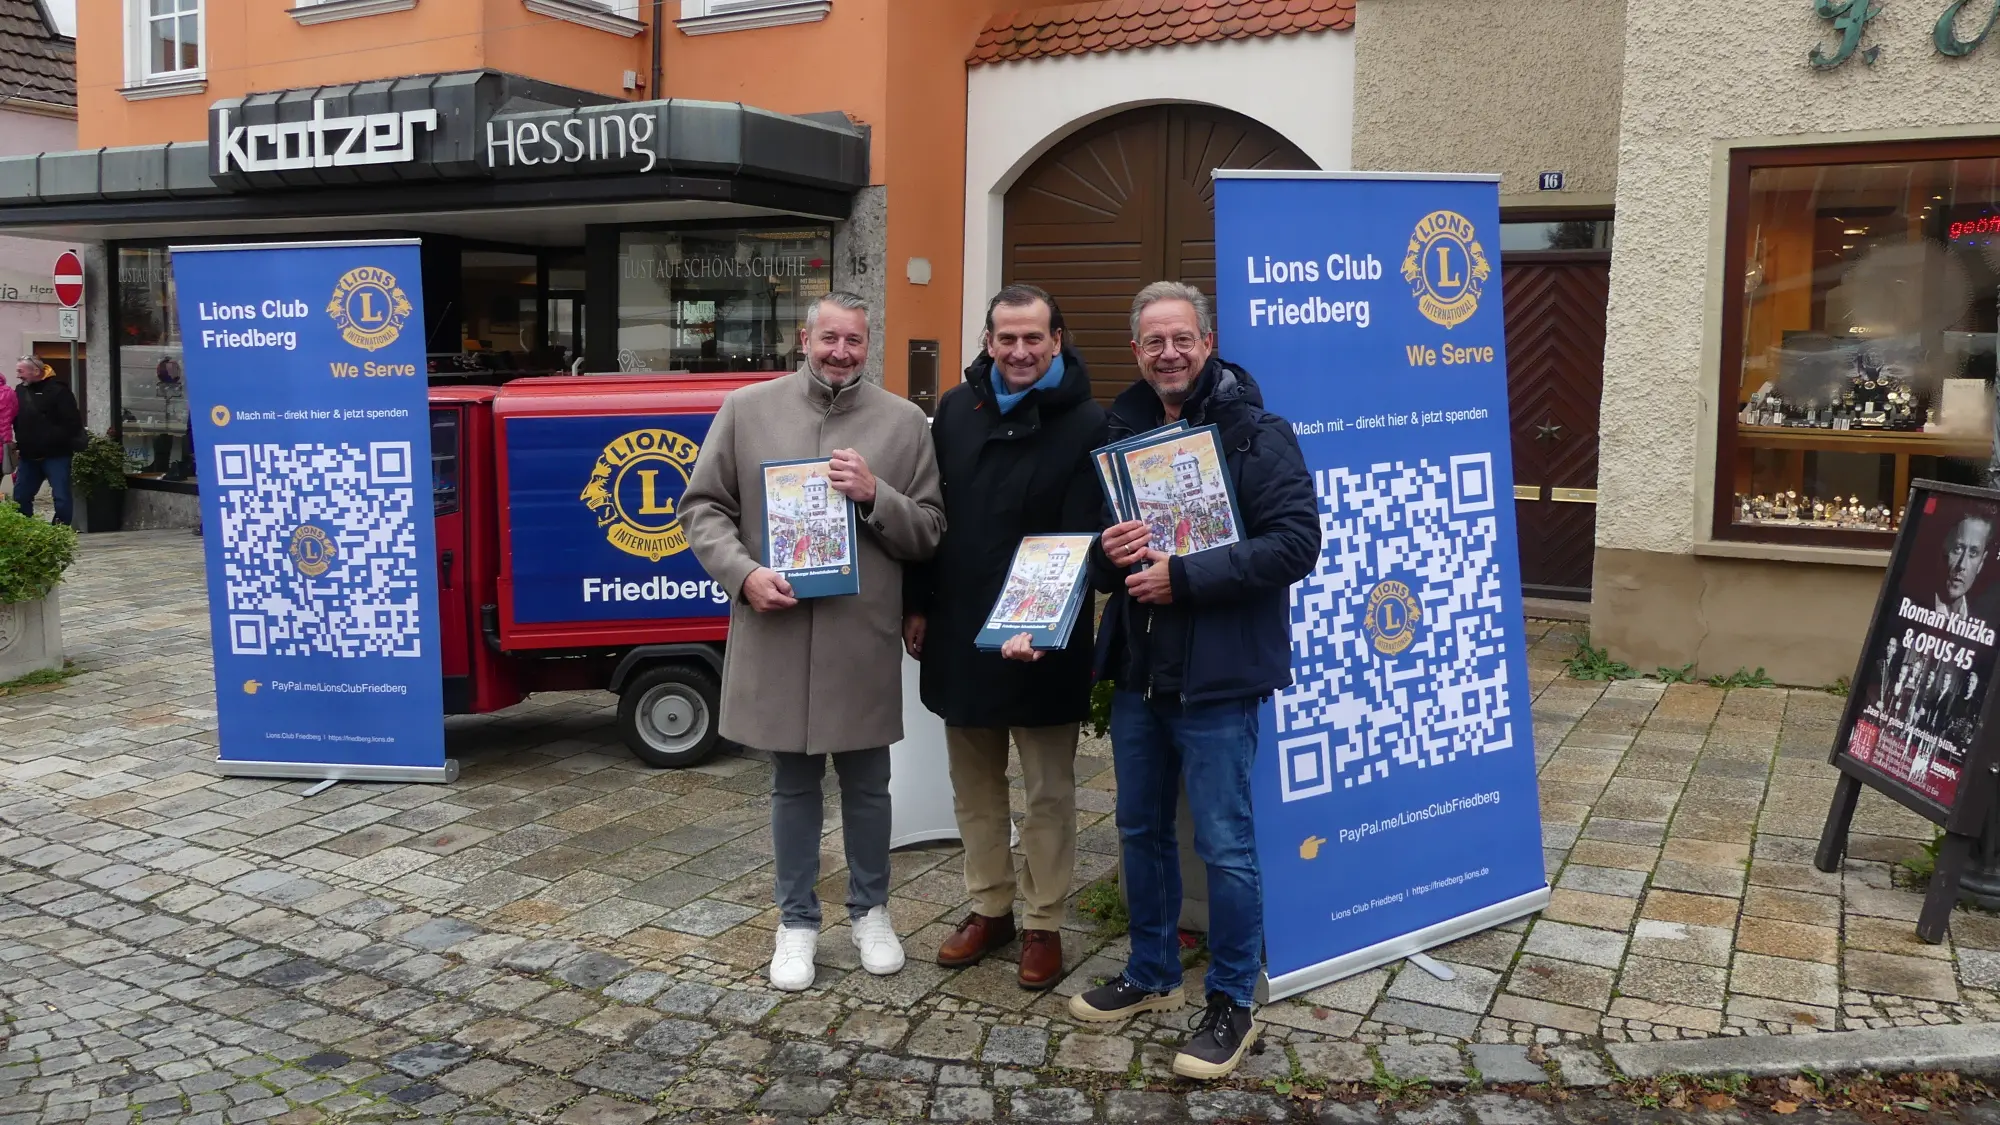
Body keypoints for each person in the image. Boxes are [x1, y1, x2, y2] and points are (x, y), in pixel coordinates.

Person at [1067, 282, 1319, 1081]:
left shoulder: (1257, 432)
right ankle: (1151, 972)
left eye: (1181, 338)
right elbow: (1100, 550)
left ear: (1206, 342)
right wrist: (1113, 551)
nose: (1167, 353)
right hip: (1141, 672)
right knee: (1139, 829)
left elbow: (1296, 544)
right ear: (1136, 351)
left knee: (1224, 843)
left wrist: (1187, 576)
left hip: (1218, 675)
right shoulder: (1124, 429)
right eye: (1153, 342)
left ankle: (1232, 1000)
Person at [680, 291, 945, 993]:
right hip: (779, 627)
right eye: (829, 337)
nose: (840, 352)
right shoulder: (746, 409)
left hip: (859, 637)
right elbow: (703, 508)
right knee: (791, 785)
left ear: (869, 344)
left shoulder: (903, 423)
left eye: (854, 341)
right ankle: (796, 921)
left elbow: (928, 529)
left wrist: (873, 494)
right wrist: (744, 575)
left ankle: (871, 911)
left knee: (868, 785)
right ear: (805, 337)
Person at [903, 284, 1105, 990]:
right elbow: (934, 517)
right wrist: (918, 602)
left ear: (1058, 340)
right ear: (988, 341)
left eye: (1034, 339)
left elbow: (1090, 539)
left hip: (1047, 638)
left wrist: (1045, 621)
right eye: (1006, 338)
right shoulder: (956, 410)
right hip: (961, 628)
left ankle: (1044, 921)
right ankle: (990, 907)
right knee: (976, 787)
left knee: (1049, 789)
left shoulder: (1088, 423)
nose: (1020, 352)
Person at [12, 358, 82, 526]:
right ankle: (24, 530)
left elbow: (72, 422)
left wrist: (50, 439)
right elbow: (16, 418)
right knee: (21, 496)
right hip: (29, 456)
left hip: (56, 455)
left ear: (35, 371)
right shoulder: (20, 391)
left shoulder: (59, 391)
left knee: (61, 496)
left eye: (21, 371)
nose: (18, 376)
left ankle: (59, 531)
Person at [1936, 512, 1993, 619]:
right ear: (1944, 550)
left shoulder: (1984, 620)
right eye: (1958, 549)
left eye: (1973, 553)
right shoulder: (1909, 603)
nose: (1961, 565)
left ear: (1981, 562)